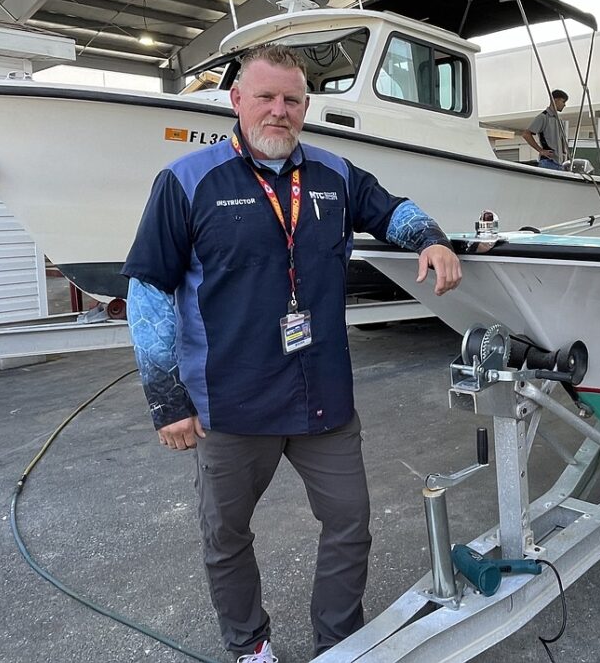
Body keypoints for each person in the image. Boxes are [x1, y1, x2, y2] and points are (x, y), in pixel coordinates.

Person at [122, 44, 461, 663]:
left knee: (350, 522)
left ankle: (338, 641)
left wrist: (432, 240)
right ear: (237, 102)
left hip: (322, 395)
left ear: (305, 106)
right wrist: (166, 398)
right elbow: (147, 288)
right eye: (265, 97)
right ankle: (249, 646)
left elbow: (391, 210)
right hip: (230, 400)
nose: (278, 111)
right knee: (225, 536)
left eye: (291, 100)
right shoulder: (187, 181)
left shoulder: (333, 175)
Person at [521, 89, 569, 170]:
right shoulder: (543, 117)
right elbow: (526, 134)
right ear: (555, 100)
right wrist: (541, 150)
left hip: (560, 163)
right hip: (548, 162)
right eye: (563, 101)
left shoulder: (559, 120)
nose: (564, 105)